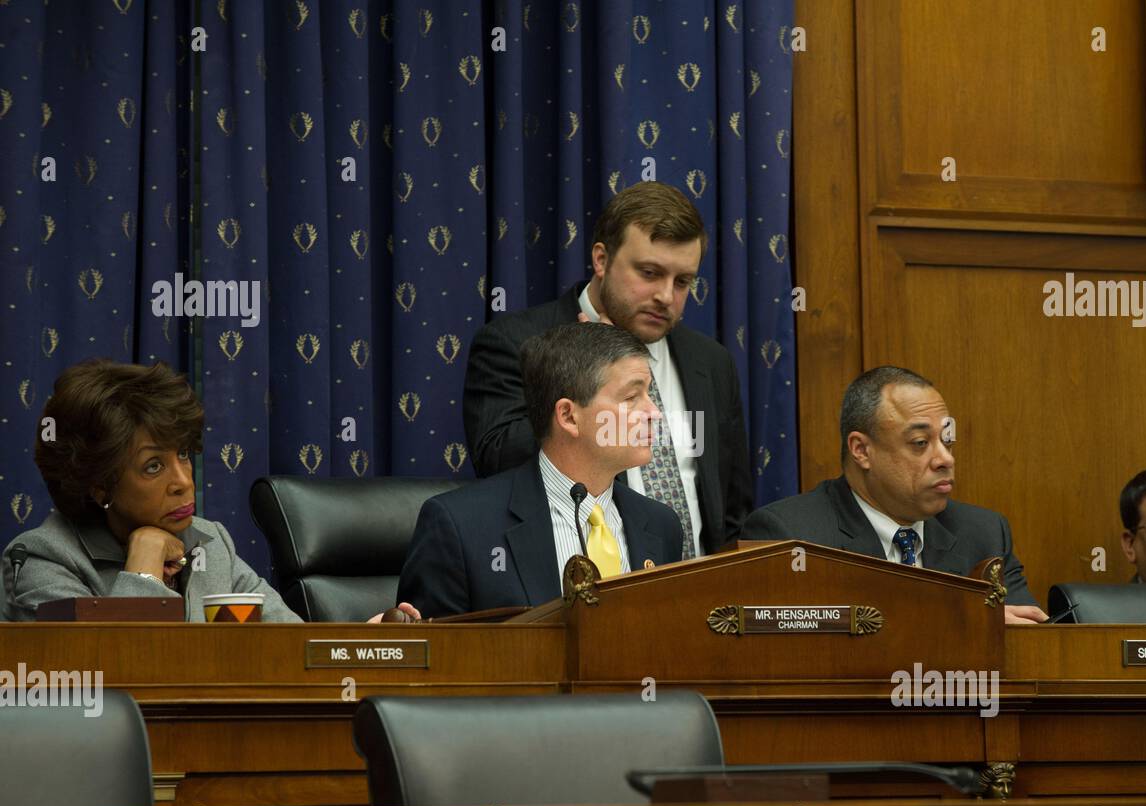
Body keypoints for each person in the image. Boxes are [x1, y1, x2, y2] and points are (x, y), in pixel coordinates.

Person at [1, 360, 418, 624]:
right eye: (153, 466)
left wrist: (360, 641)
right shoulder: (43, 560)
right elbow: (110, 681)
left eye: (183, 454)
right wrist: (144, 565)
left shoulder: (209, 542)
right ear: (99, 487)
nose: (183, 479)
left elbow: (285, 645)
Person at [463, 181, 751, 558]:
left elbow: (731, 508)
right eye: (649, 273)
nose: (666, 296)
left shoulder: (710, 362)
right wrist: (585, 369)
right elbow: (496, 463)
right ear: (601, 260)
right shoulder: (515, 341)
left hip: (695, 598)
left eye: (682, 282)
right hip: (571, 589)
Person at [399, 322, 684, 619]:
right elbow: (430, 658)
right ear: (568, 416)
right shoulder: (461, 528)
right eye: (631, 398)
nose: (653, 413)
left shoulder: (660, 525)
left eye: (649, 395)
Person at [741, 366, 1047, 625]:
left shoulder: (984, 533)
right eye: (919, 442)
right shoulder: (791, 538)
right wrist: (961, 624)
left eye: (947, 441)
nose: (945, 459)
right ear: (861, 450)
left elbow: (1027, 641)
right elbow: (795, 656)